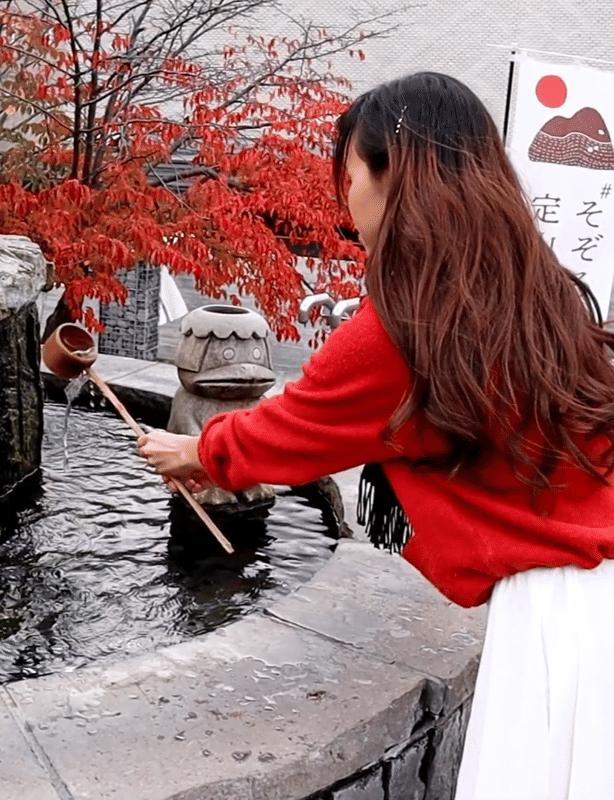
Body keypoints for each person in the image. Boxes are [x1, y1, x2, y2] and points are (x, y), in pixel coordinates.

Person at [137, 71, 614, 800]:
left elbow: (300, 425)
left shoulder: (408, 321)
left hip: (558, 617)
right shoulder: (533, 286)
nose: (344, 199)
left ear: (397, 176)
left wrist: (199, 450)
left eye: (351, 174)